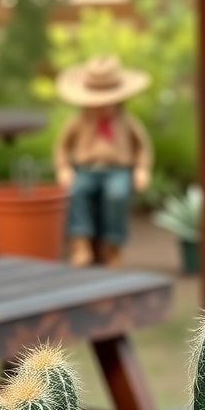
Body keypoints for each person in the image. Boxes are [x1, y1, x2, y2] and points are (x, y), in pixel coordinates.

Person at [54, 55, 152, 266]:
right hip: (86, 169)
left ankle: (113, 246)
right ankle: (80, 242)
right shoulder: (78, 122)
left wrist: (142, 169)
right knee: (76, 190)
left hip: (117, 171)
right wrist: (63, 168)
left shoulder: (127, 122)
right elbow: (62, 146)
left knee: (116, 195)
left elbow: (143, 146)